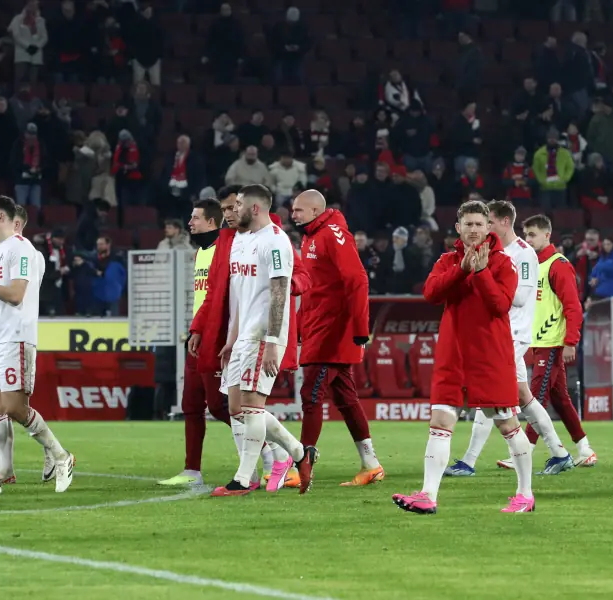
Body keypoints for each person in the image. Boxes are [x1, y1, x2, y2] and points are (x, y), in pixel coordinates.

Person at [392, 200, 535, 514]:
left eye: (478, 224)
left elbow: (500, 305)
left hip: (491, 356)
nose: (473, 230)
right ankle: (428, 495)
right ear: (458, 228)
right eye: (467, 224)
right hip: (453, 354)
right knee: (439, 422)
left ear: (488, 228)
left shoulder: (503, 263)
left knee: (509, 425)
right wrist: (462, 270)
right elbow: (431, 294)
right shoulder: (448, 260)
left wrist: (481, 272)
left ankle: (525, 494)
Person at [0, 196, 75, 494]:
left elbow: (17, 295)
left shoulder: (21, 249)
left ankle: (61, 455)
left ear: (4, 218)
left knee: (15, 407)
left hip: (15, 337)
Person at [444, 203, 575, 478]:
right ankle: (560, 453)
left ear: (505, 222)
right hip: (496, 333)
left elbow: (521, 298)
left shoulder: (524, 254)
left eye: (488, 222)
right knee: (523, 397)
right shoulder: (492, 251)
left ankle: (469, 461)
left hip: (512, 335)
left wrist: (487, 279)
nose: (484, 228)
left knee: (489, 394)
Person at [210, 184, 318, 497]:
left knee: (252, 407)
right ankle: (299, 453)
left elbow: (280, 293)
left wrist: (273, 341)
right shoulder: (240, 240)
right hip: (243, 335)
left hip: (263, 335)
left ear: (255, 208)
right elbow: (239, 296)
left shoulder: (275, 242)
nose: (232, 210)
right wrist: (231, 339)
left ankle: (243, 480)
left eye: (239, 204)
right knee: (235, 409)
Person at [289, 189, 383, 487]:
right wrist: (301, 327)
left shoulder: (334, 234)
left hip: (333, 331)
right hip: (320, 327)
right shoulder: (309, 237)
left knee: (311, 396)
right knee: (345, 398)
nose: (294, 214)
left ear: (315, 211)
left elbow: (357, 279)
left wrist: (360, 328)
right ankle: (371, 464)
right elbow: (316, 290)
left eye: (299, 210)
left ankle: (303, 465)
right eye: (293, 210)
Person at [513, 213, 597, 469]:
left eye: (532, 235)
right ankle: (584, 448)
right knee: (559, 397)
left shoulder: (558, 264)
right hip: (537, 342)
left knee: (534, 396)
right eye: (525, 235)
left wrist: (571, 341)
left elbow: (573, 307)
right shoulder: (531, 264)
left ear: (547, 235)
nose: (527, 239)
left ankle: (524, 450)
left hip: (552, 342)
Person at [158, 199, 232, 489]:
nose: (190, 223)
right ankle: (192, 469)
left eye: (195, 218)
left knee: (219, 406)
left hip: (217, 338)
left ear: (212, 222)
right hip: (197, 336)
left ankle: (270, 450)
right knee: (190, 405)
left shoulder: (223, 252)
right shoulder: (201, 252)